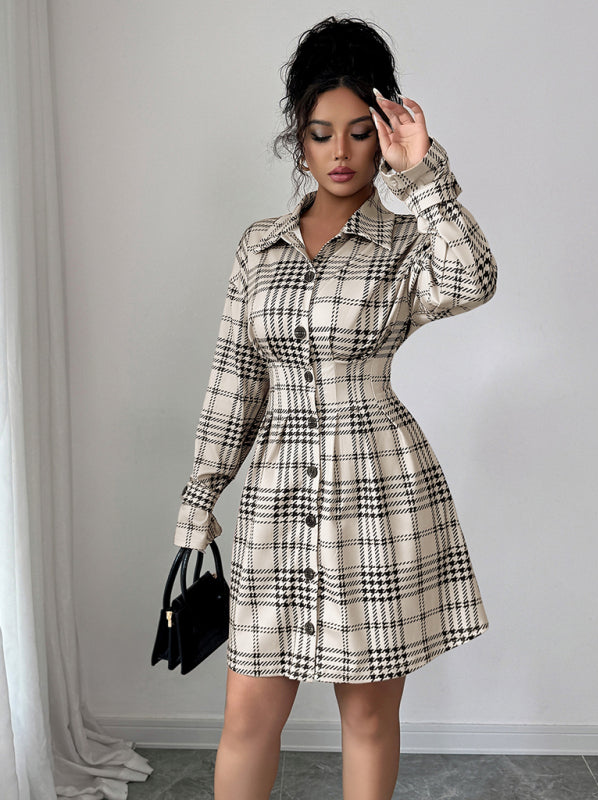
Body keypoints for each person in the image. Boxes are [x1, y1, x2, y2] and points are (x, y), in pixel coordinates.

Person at [173, 15, 497, 800]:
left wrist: (424, 176)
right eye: (322, 134)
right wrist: (200, 494)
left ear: (382, 138)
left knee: (370, 719)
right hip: (276, 499)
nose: (342, 152)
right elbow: (235, 378)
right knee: (247, 716)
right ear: (299, 137)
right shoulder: (259, 246)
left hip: (378, 495)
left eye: (360, 133)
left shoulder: (405, 242)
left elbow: (474, 279)